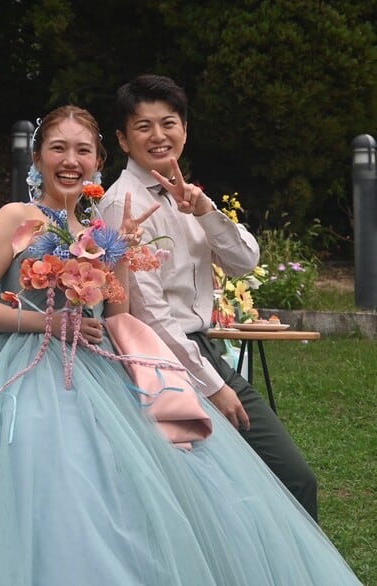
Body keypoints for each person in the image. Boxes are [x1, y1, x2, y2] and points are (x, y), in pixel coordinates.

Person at [0, 104, 360, 585]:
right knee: (45, 465)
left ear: (98, 161)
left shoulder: (97, 233)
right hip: (21, 369)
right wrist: (47, 323)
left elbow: (116, 316)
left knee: (141, 477)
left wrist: (123, 252)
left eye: (83, 151)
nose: (71, 161)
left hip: (95, 370)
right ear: (38, 157)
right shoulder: (16, 217)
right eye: (58, 149)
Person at [99, 74, 319, 520]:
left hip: (204, 350)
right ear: (122, 139)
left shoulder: (185, 196)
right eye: (143, 126)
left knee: (277, 484)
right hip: (162, 363)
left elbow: (245, 262)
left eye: (169, 123)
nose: (158, 136)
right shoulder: (122, 204)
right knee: (263, 485)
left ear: (185, 129)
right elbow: (150, 314)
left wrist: (204, 210)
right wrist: (214, 387)